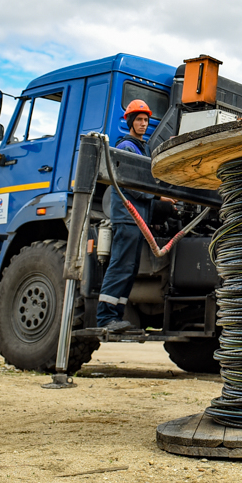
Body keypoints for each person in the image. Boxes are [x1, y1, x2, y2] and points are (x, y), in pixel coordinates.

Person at [95, 99, 156, 332]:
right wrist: (156, 196)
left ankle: (116, 317)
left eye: (146, 120)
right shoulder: (126, 147)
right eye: (139, 119)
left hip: (138, 219)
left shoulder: (142, 147)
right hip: (128, 216)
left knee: (129, 269)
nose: (143, 123)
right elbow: (131, 185)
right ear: (130, 121)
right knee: (120, 265)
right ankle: (105, 318)